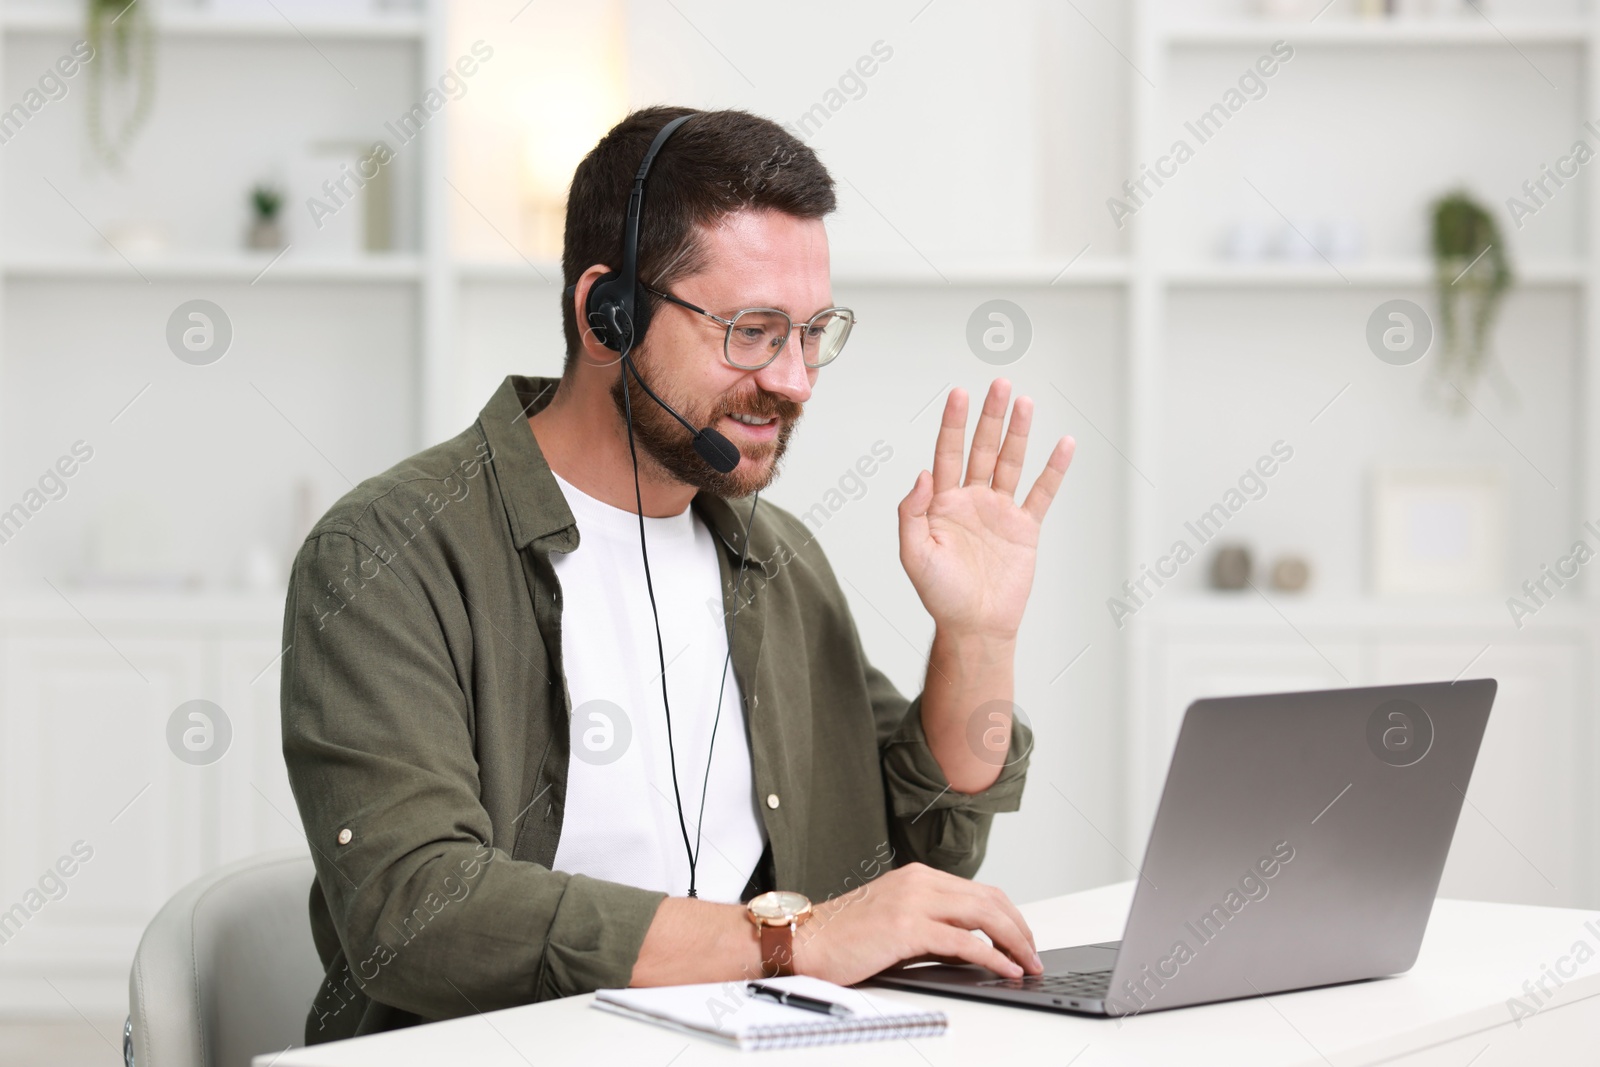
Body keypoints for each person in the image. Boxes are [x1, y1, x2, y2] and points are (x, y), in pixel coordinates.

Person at [280, 104, 1075, 1044]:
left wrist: (978, 636)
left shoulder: (774, 558)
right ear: (605, 315)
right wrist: (793, 942)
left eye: (813, 331)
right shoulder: (389, 550)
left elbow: (922, 846)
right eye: (751, 329)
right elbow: (414, 910)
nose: (796, 380)